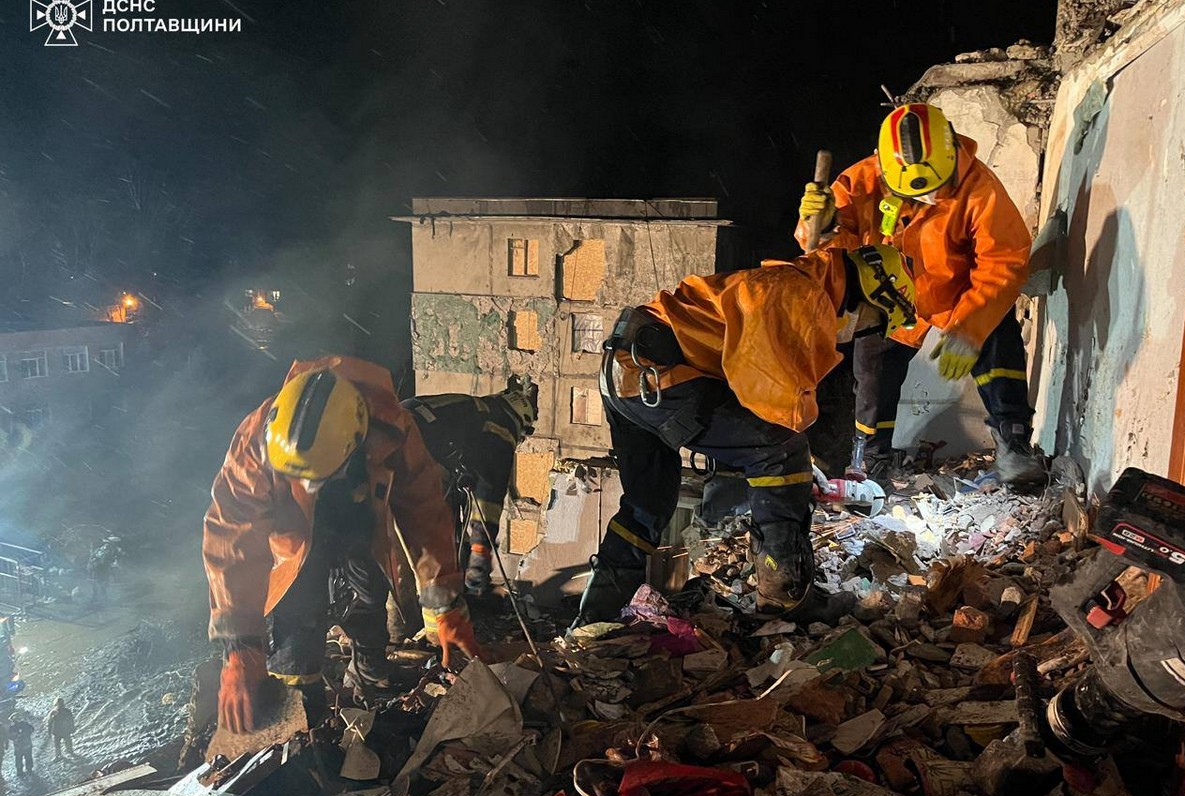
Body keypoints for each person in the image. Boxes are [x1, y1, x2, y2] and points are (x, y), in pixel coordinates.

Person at [572, 244, 920, 628]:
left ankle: (597, 615)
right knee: (780, 453)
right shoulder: (800, 295)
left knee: (648, 500)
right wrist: (799, 468)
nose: (866, 331)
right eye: (874, 320)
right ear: (873, 292)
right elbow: (769, 396)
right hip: (660, 375)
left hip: (626, 375)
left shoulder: (793, 286)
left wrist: (804, 467)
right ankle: (785, 599)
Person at [203, 356, 482, 734]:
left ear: (355, 442)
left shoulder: (391, 427)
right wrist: (240, 646)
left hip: (360, 518)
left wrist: (445, 604)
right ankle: (300, 727)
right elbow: (231, 539)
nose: (305, 489)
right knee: (297, 626)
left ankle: (368, 682)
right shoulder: (257, 440)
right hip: (294, 541)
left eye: (312, 480)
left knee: (368, 596)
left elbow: (423, 511)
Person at [796, 102, 1043, 486]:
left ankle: (1013, 444)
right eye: (916, 194)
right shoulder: (859, 182)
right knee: (873, 375)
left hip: (956, 293)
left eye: (936, 191)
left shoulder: (979, 188)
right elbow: (825, 257)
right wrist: (821, 226)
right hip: (888, 298)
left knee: (998, 338)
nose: (927, 200)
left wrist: (972, 327)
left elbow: (1004, 261)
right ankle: (871, 461)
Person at [400, 376, 539, 597]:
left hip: (390, 438)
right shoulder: (503, 426)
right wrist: (480, 552)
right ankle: (443, 597)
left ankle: (403, 615)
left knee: (394, 548)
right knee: (435, 541)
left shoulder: (475, 410)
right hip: (414, 449)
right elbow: (489, 494)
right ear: (521, 419)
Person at [88, 536, 122, 604]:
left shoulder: (110, 550)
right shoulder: (103, 550)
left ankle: (101, 597)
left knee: (102, 583)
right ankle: (97, 597)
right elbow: (98, 559)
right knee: (98, 582)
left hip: (101, 568)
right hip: (99, 568)